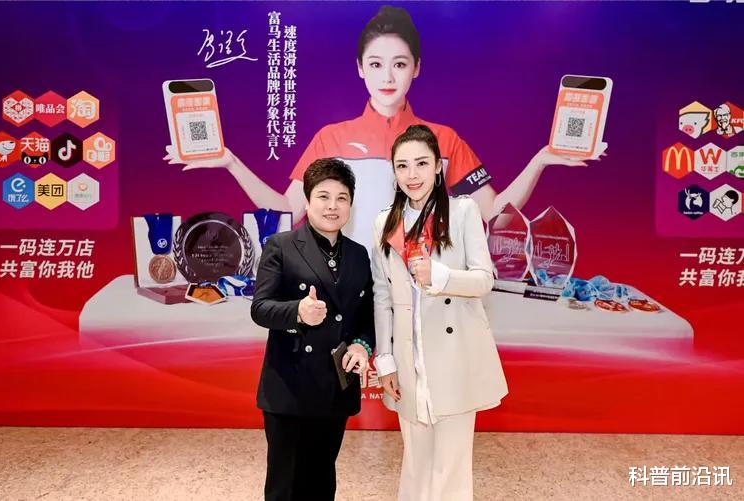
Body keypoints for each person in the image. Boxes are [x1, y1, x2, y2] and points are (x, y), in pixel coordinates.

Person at [165, 5, 591, 253]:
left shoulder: (445, 140)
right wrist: (231, 162)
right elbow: (285, 214)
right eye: (376, 64)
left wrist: (541, 160)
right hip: (347, 285)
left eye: (399, 64)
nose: (387, 76)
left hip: (424, 289)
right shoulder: (330, 139)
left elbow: (492, 213)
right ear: (360, 69)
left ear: (416, 68)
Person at [371, 125, 508, 501]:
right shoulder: (385, 222)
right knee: (416, 461)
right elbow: (382, 296)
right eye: (402, 166)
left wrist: (441, 276)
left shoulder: (463, 211)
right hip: (409, 358)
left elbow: (484, 280)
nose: (411, 175)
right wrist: (386, 359)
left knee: (451, 464)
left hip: (454, 353)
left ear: (437, 167)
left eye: (421, 163)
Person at [251, 158, 375, 501]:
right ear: (307, 201)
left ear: (350, 205)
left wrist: (362, 346)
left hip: (335, 386)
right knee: (285, 487)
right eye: (323, 196)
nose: (332, 206)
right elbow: (260, 308)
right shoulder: (281, 246)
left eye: (341, 198)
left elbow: (367, 317)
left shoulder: (359, 255)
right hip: (290, 386)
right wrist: (298, 312)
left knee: (322, 481)